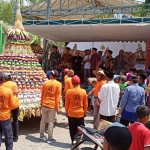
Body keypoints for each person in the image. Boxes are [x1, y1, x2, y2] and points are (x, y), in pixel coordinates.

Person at [40, 70, 62, 143]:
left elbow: (42, 94)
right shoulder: (58, 84)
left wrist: (41, 104)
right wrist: (57, 108)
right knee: (51, 122)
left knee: (43, 120)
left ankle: (41, 135)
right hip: (52, 105)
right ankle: (50, 138)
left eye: (50, 74)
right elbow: (57, 97)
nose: (49, 75)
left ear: (52, 75)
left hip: (44, 104)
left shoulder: (45, 83)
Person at [65, 75, 88, 145]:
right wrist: (85, 111)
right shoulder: (83, 91)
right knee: (81, 127)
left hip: (71, 112)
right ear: (79, 82)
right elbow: (86, 103)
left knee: (72, 128)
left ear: (72, 82)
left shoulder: (69, 91)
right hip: (80, 113)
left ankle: (73, 141)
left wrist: (66, 111)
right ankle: (77, 138)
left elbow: (66, 103)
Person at [0, 73, 16, 150]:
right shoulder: (8, 90)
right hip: (5, 116)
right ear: (3, 80)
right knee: (8, 135)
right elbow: (12, 105)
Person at [3, 73, 20, 142]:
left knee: (8, 121)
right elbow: (17, 93)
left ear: (5, 78)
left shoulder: (4, 85)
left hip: (8, 105)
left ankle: (8, 137)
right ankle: (15, 137)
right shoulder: (14, 84)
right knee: (15, 120)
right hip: (16, 104)